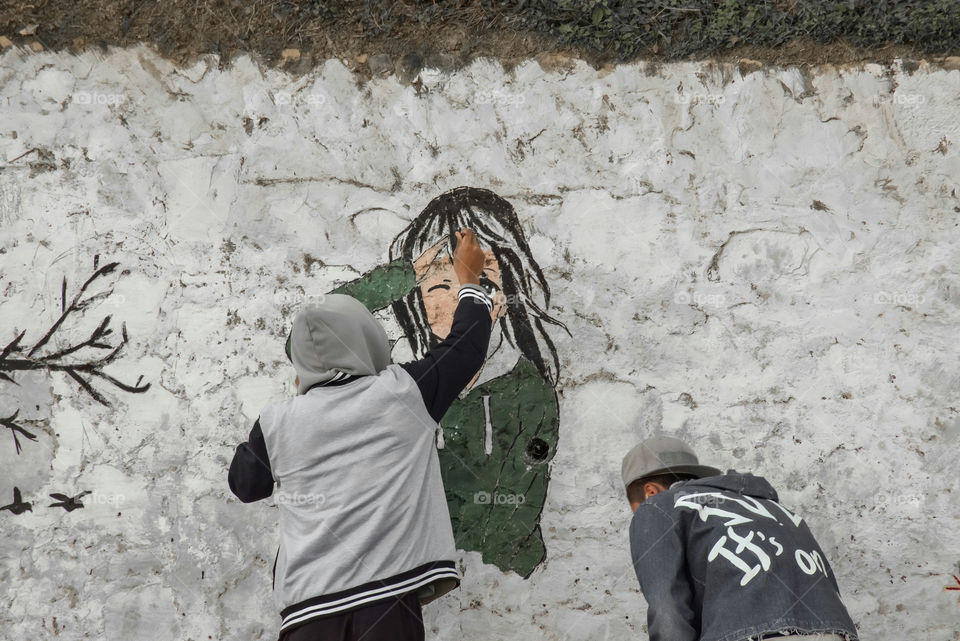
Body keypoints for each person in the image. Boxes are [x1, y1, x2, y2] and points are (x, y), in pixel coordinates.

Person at [227, 228, 493, 641]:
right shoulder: (401, 392)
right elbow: (466, 347)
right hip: (385, 607)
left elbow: (245, 484)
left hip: (305, 615)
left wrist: (300, 401)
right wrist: (470, 280)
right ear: (367, 338)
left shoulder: (277, 421)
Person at [335, 186, 569, 577]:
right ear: (418, 296)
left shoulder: (525, 390)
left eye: (481, 285)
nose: (460, 302)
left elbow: (515, 525)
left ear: (503, 296)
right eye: (441, 286)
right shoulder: (395, 380)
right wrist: (404, 272)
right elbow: (312, 333)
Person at [623, 436, 859, 641]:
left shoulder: (658, 505)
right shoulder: (776, 509)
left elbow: (667, 609)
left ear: (650, 491)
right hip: (835, 630)